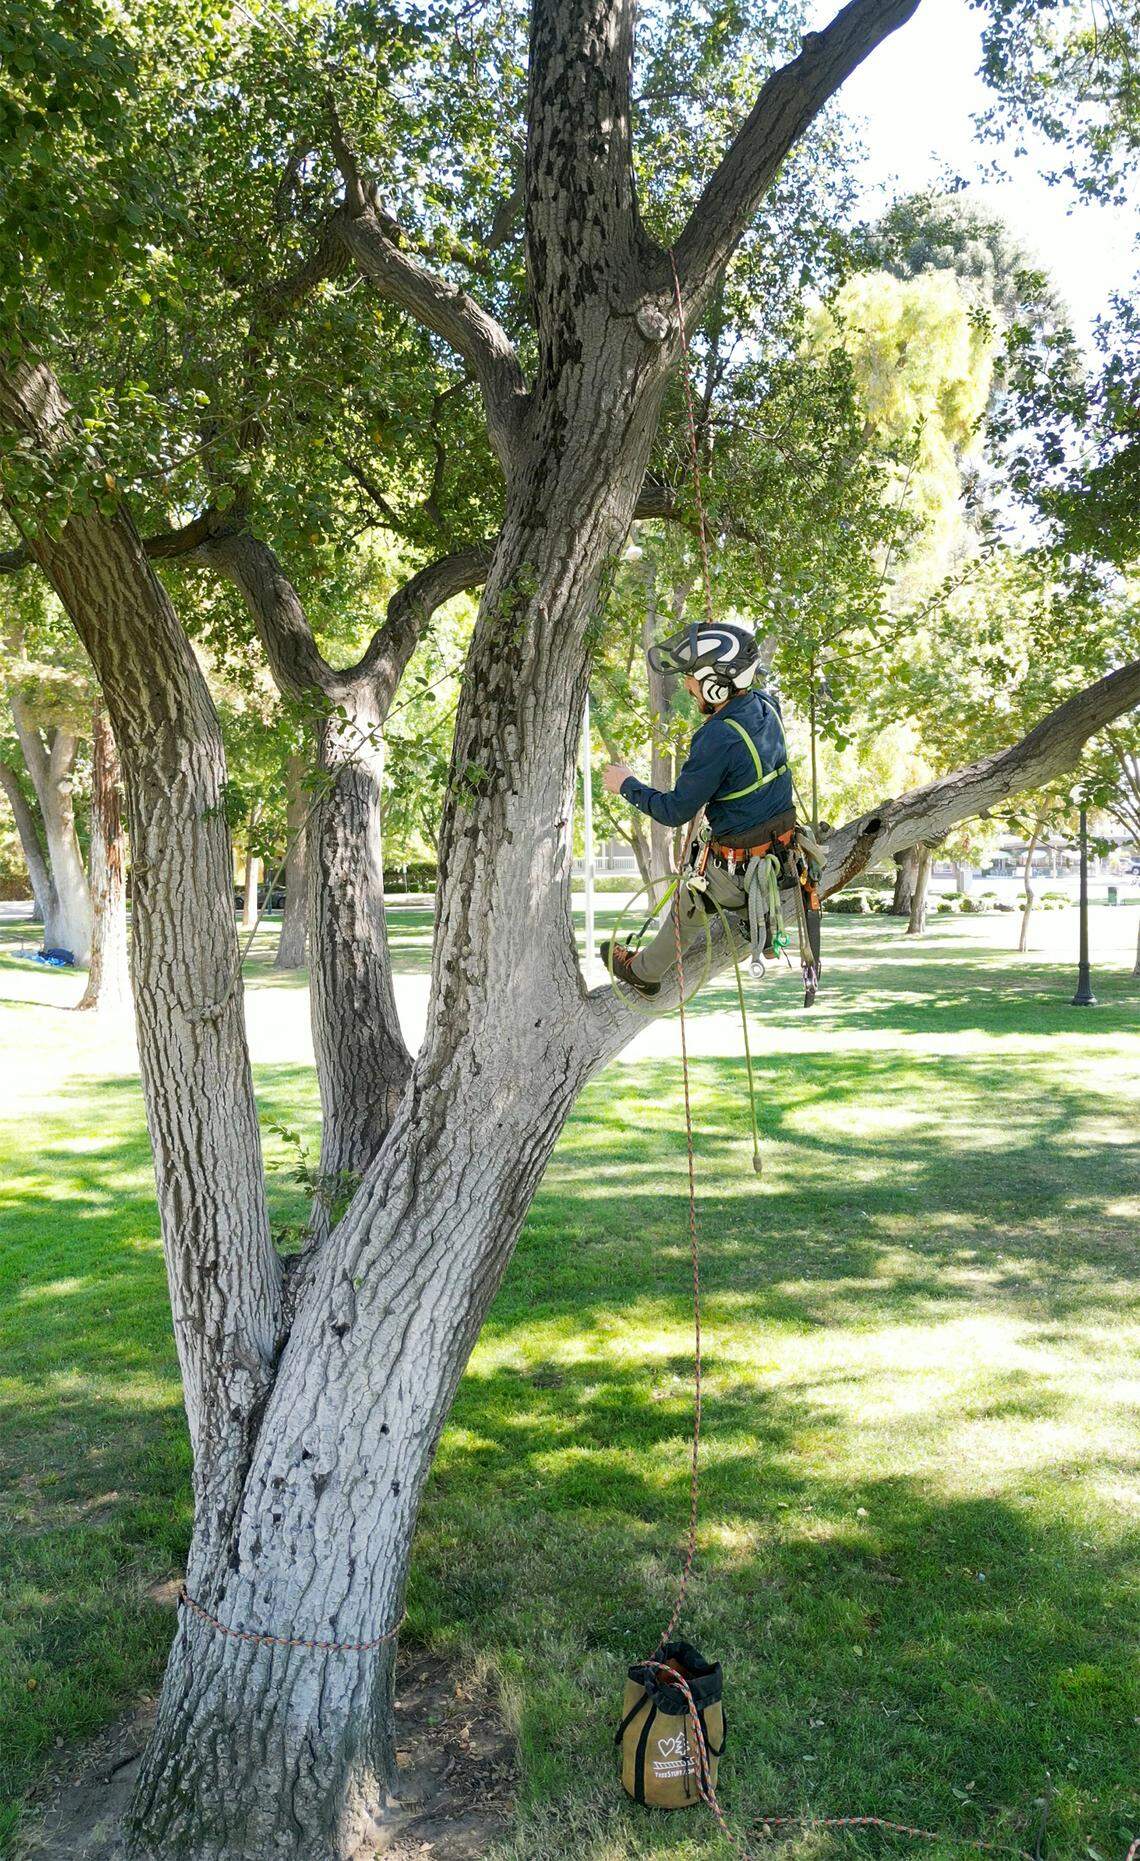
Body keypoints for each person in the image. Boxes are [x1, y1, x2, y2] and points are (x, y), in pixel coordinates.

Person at [600, 620, 795, 996]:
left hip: (741, 871)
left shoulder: (717, 736)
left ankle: (644, 972)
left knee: (689, 902)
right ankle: (762, 925)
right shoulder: (767, 705)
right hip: (781, 850)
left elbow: (674, 811)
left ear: (716, 683)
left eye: (692, 677)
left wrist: (627, 784)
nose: (688, 686)